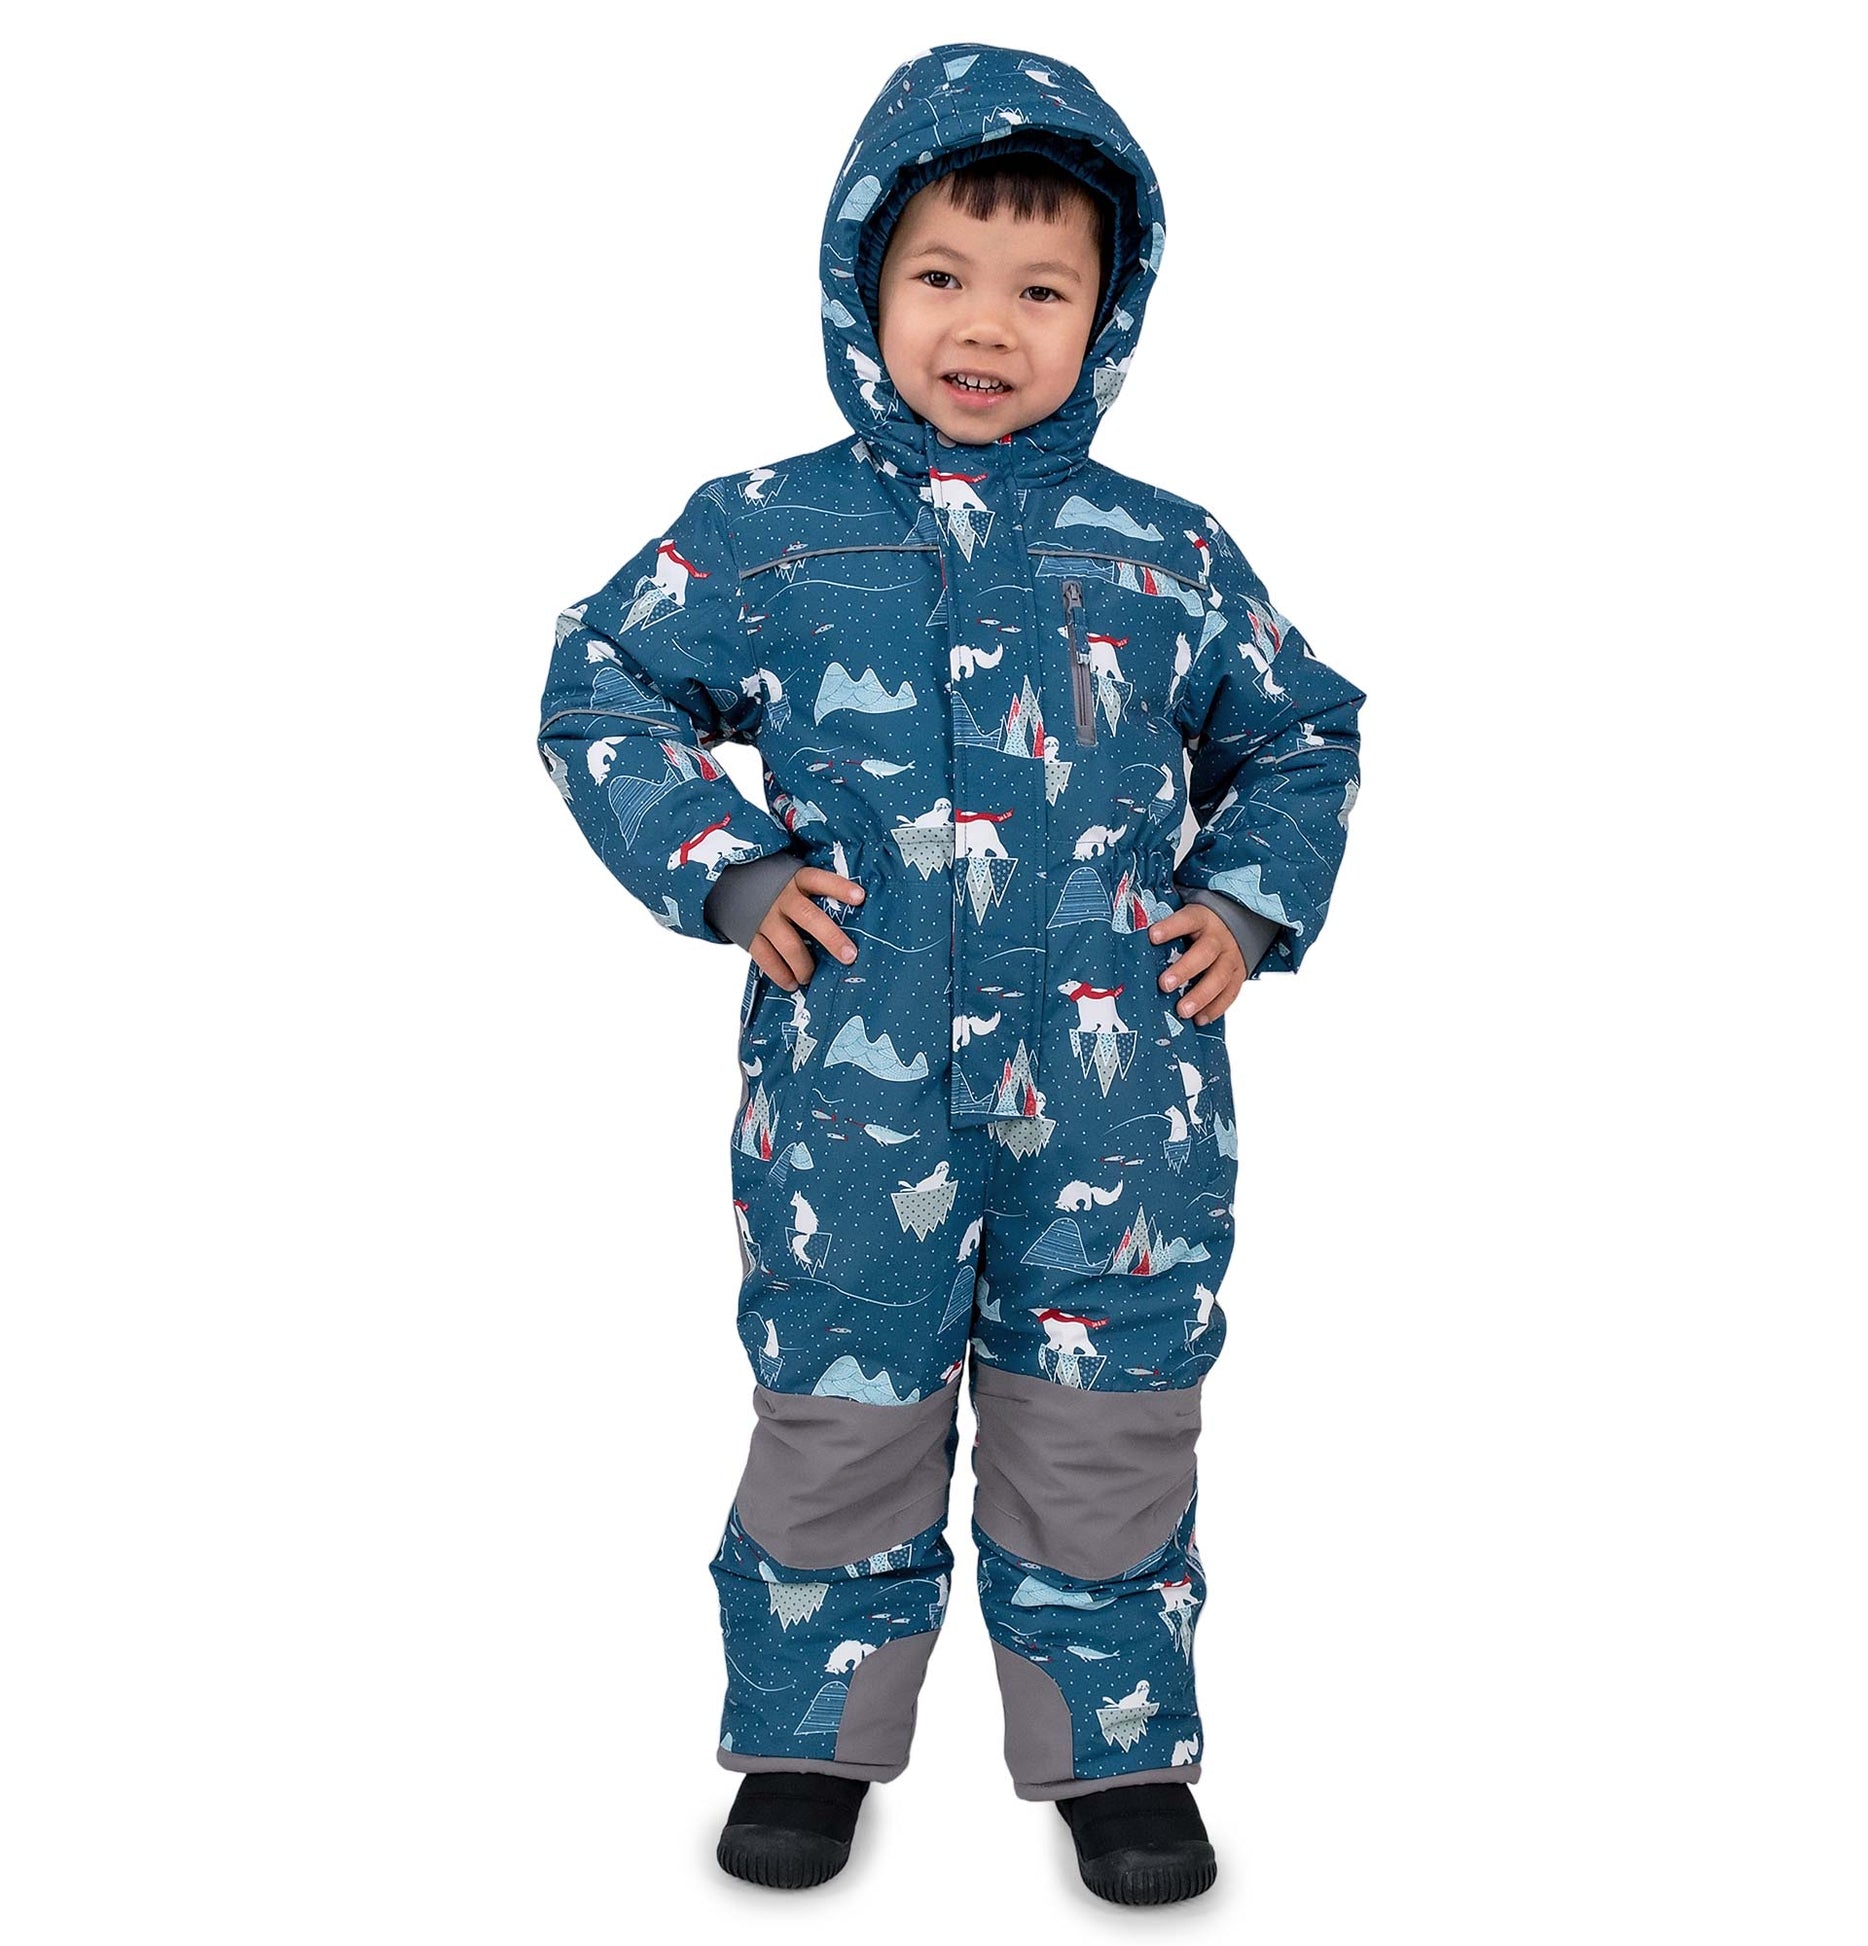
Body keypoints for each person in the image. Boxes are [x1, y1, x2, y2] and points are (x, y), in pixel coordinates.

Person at [534, 39, 1366, 1906]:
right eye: (941, 276)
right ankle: (809, 1737)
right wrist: (728, 869)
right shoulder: (764, 531)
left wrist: (1243, 903)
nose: (984, 325)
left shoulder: (1166, 555)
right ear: (864, 282)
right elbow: (601, 683)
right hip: (851, 1085)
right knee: (842, 1407)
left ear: (1108, 314)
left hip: (1120, 1105)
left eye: (1040, 289)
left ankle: (1115, 1753)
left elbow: (1300, 732)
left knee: (1108, 1416)